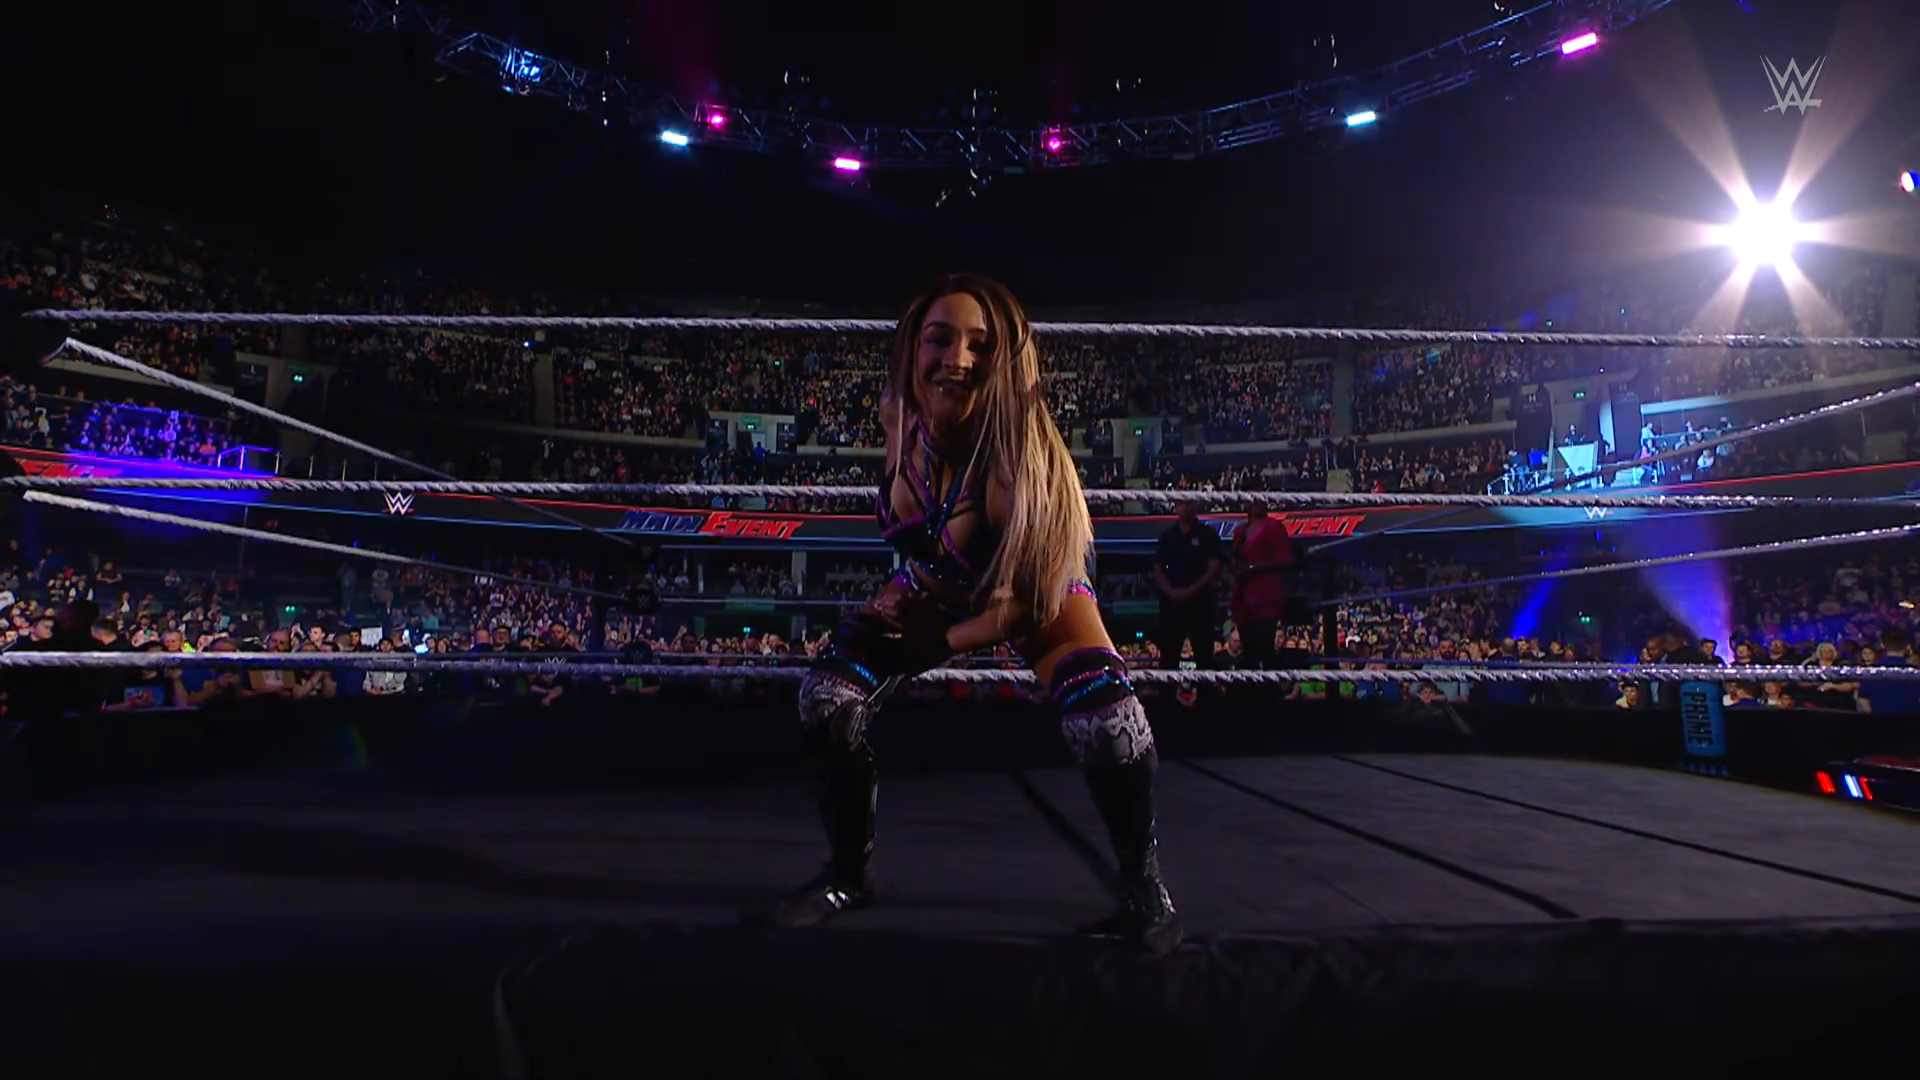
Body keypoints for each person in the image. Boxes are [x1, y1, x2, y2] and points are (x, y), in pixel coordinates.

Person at [775, 273, 1181, 957]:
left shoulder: (1016, 460)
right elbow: (916, 527)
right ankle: (847, 875)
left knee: (1110, 726)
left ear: (1005, 362)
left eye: (979, 346)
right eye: (939, 339)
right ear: (913, 347)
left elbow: (1035, 599)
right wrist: (905, 589)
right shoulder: (899, 417)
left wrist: (941, 641)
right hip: (935, 589)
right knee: (826, 700)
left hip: (1028, 594)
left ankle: (1147, 889)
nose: (956, 359)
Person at [1151, 500, 1224, 671]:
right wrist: (1171, 592)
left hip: (1201, 602)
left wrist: (1191, 591)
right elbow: (1157, 569)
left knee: (1204, 655)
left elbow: (1214, 567)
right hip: (1172, 603)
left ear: (1196, 506)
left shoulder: (1207, 535)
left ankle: (1205, 689)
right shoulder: (1168, 536)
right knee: (1169, 655)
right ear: (1176, 508)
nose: (1184, 508)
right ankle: (1167, 689)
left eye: (1188, 504)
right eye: (1181, 504)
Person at [1228, 502, 1295, 671]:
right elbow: (1234, 559)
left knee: (1265, 648)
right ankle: (1252, 686)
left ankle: (1269, 686)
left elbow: (1286, 559)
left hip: (1265, 595)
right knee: (1248, 651)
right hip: (1243, 596)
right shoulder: (1240, 531)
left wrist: (1254, 568)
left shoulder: (1273, 527)